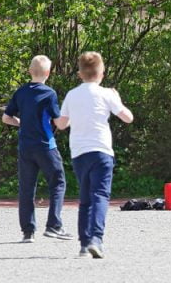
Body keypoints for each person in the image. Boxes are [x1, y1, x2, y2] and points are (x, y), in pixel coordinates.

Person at [56, 52, 134, 259]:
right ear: (102, 73)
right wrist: (117, 99)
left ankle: (83, 243)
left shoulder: (72, 95)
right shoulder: (107, 93)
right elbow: (128, 118)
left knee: (85, 197)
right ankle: (96, 239)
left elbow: (61, 124)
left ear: (80, 73)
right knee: (100, 195)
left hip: (79, 153)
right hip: (101, 150)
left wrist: (74, 117)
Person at [2, 55, 73, 243]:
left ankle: (28, 232)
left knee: (26, 188)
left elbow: (6, 118)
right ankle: (53, 225)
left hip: (25, 147)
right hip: (45, 146)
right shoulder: (49, 93)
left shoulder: (21, 92)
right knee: (58, 182)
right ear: (48, 73)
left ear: (29, 71)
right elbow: (59, 122)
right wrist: (69, 118)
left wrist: (22, 123)